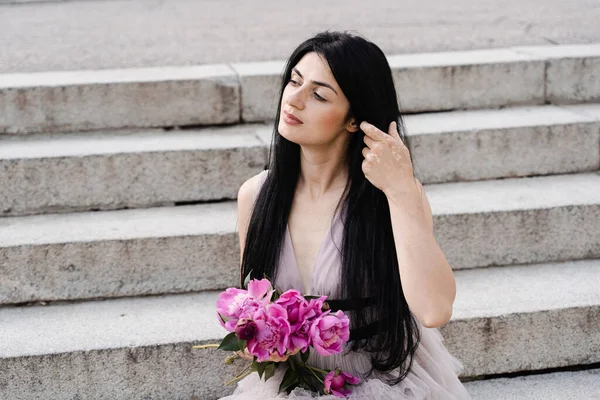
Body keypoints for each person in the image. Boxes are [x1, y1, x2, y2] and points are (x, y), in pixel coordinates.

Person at [223, 31, 471, 399]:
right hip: (292, 381)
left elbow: (434, 309)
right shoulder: (257, 195)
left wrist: (400, 190)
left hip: (380, 379)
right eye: (295, 80)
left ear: (354, 120)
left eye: (319, 94)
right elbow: (254, 305)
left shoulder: (390, 195)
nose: (294, 99)